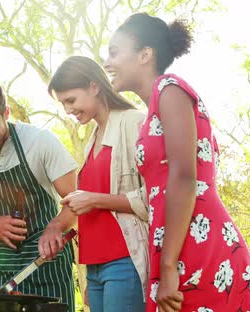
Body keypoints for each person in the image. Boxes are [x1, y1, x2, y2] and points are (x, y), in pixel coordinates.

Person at [104, 13, 250, 311]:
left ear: (145, 54)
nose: (107, 61)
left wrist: (168, 268)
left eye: (114, 52)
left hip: (197, 237)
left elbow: (183, 176)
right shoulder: (152, 109)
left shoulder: (170, 88)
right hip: (173, 241)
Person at [0, 81, 78, 311]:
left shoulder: (40, 141)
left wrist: (55, 226)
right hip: (1, 270)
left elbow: (74, 200)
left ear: (6, 113)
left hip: (48, 265)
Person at [48, 56, 148, 312]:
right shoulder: (92, 137)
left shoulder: (133, 122)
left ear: (94, 86)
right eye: (63, 104)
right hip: (93, 267)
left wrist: (93, 199)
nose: (67, 110)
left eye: (71, 100)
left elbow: (156, 197)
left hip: (125, 261)